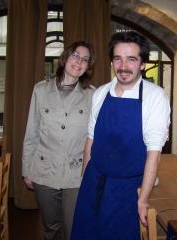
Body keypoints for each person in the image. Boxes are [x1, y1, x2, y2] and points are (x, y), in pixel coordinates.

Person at [71, 31, 170, 240]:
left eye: (131, 59)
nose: (123, 66)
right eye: (118, 58)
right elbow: (91, 140)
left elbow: (154, 153)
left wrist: (143, 199)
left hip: (128, 189)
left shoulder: (155, 97)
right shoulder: (100, 93)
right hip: (94, 181)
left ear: (142, 64)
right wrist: (84, 180)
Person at [22, 41, 95, 240]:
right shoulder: (40, 90)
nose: (79, 61)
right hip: (44, 171)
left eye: (85, 59)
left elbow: (95, 138)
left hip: (76, 174)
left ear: (88, 66)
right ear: (65, 57)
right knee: (50, 227)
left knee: (74, 227)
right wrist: (27, 170)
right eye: (75, 55)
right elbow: (32, 133)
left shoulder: (92, 95)